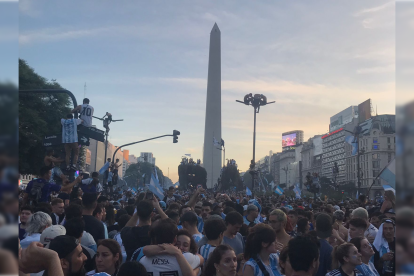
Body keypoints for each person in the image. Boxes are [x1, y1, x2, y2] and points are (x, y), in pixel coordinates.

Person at [139, 218, 203, 276]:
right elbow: (201, 259)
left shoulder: (143, 260)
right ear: (175, 239)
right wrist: (196, 271)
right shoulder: (186, 257)